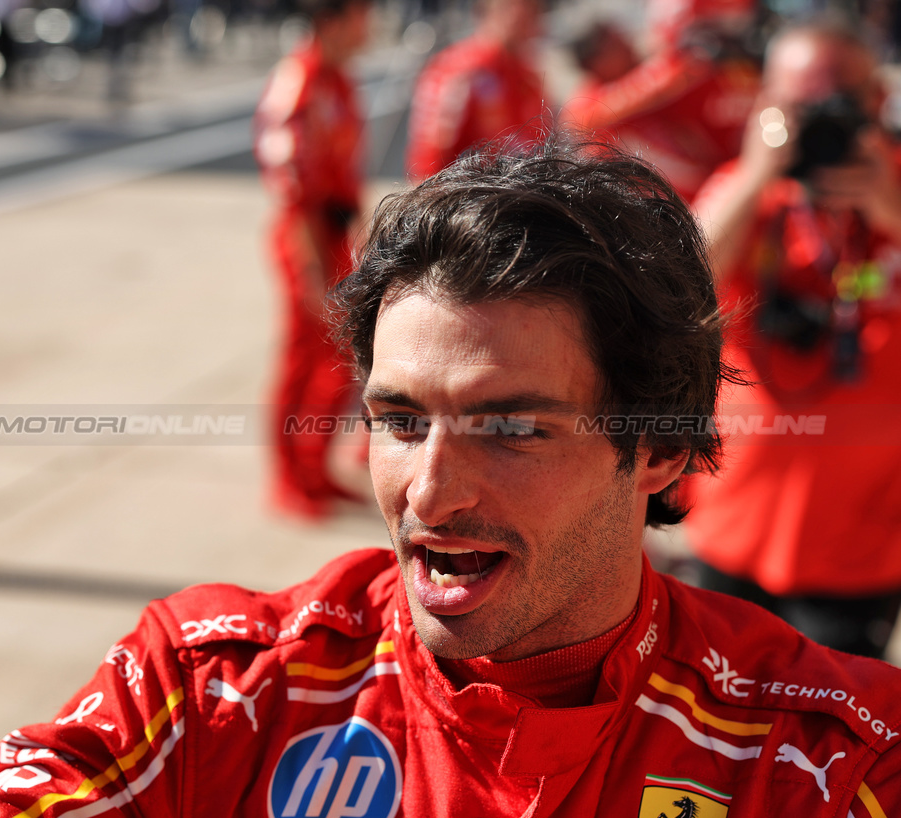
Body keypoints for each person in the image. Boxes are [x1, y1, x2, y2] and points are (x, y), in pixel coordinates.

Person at [0, 138, 901, 818]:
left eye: (512, 426)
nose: (429, 488)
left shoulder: (824, 761)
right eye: (398, 419)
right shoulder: (215, 687)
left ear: (665, 449)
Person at [683, 21, 901, 659]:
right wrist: (757, 175)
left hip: (862, 547)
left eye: (839, 100)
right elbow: (683, 281)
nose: (819, 121)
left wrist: (891, 210)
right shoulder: (747, 190)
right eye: (800, 103)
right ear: (767, 103)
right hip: (732, 528)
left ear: (876, 103)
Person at [253, 0, 369, 519]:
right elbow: (291, 188)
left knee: (340, 358)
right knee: (306, 358)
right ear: (334, 19)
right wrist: (311, 269)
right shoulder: (298, 82)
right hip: (305, 236)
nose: (372, 27)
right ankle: (287, 477)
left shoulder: (340, 81)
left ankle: (315, 466)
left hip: (334, 232)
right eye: (364, 14)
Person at [560, 0, 762, 201]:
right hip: (665, 206)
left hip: (710, 176)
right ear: (592, 62)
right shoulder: (582, 108)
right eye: (612, 43)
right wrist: (686, 61)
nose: (625, 42)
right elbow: (637, 91)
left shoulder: (638, 71)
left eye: (618, 34)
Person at [403, 0, 546, 182]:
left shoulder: (528, 74)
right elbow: (428, 156)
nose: (531, 16)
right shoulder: (455, 70)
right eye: (523, 6)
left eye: (535, 8)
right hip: (468, 200)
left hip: (518, 196)